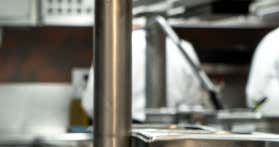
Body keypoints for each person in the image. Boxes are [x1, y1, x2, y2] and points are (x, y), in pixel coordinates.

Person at [81, 24, 210, 119]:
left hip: (121, 137)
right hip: (170, 135)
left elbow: (92, 104)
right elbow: (193, 104)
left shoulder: (113, 46)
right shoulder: (183, 48)